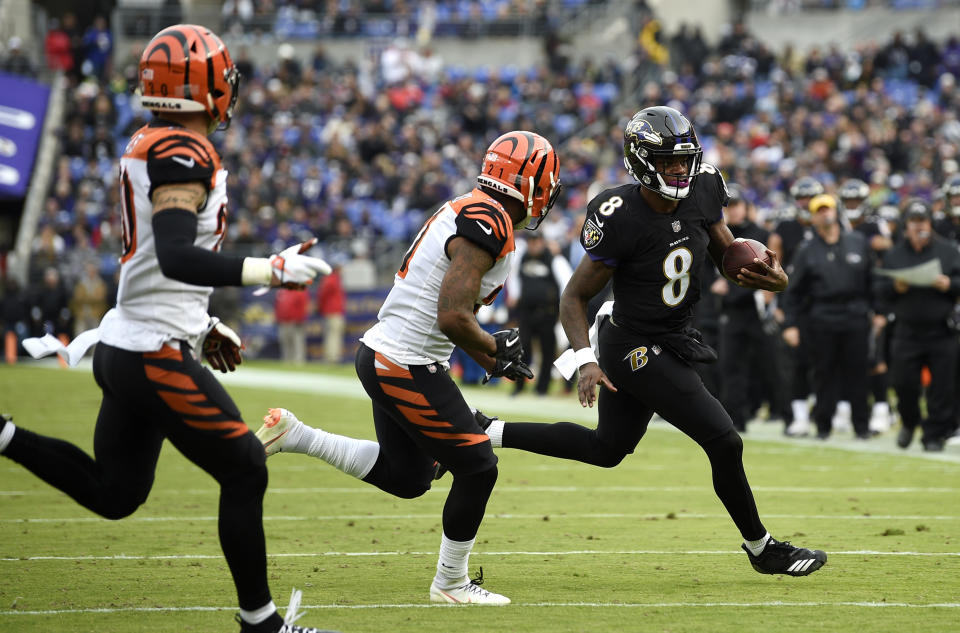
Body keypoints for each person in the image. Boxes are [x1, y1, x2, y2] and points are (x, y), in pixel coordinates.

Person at [0, 25, 336, 633]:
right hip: (149, 349)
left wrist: (202, 321)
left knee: (115, 492)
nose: (230, 88)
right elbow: (177, 253)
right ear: (202, 88)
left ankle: (2, 436)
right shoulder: (184, 149)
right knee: (245, 466)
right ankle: (261, 624)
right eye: (223, 78)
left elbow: (160, 259)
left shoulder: (153, 140)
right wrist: (272, 269)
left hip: (135, 339)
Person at [479, 107, 826, 577]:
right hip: (631, 344)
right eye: (668, 162)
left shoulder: (705, 188)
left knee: (607, 450)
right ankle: (762, 548)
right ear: (641, 161)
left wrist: (769, 280)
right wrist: (585, 361)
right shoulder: (619, 213)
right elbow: (574, 297)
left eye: (684, 160)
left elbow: (725, 251)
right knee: (724, 439)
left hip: (674, 334)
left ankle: (487, 430)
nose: (680, 170)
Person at [255, 131, 562, 604]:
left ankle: (296, 436)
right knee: (479, 466)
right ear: (532, 184)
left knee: (409, 477)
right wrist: (491, 347)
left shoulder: (472, 206)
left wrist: (488, 356)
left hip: (391, 355)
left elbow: (447, 316)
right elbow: (453, 315)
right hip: (406, 362)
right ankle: (451, 584)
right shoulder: (490, 221)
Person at [781, 194, 874, 440]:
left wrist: (879, 312)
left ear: (836, 211)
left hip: (855, 315)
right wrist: (790, 323)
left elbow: (872, 280)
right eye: (819, 211)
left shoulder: (857, 241)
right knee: (823, 373)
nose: (825, 214)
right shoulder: (807, 250)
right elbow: (793, 290)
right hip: (821, 316)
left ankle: (861, 426)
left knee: (858, 372)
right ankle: (823, 426)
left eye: (828, 209)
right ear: (813, 217)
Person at [876, 199, 960, 452]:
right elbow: (879, 290)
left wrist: (950, 285)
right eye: (914, 222)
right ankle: (910, 421)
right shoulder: (895, 254)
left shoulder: (948, 251)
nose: (919, 226)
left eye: (922, 221)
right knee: (904, 383)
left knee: (942, 387)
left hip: (941, 329)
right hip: (907, 329)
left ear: (930, 223)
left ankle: (934, 434)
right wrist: (895, 287)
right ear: (907, 226)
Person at [506, 233, 573, 396]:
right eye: (531, 241)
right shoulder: (522, 259)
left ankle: (542, 388)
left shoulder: (555, 260)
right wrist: (514, 295)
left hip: (547, 313)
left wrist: (565, 307)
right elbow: (514, 277)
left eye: (537, 241)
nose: (534, 244)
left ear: (543, 242)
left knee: (547, 350)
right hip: (526, 312)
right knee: (522, 350)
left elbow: (568, 282)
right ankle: (519, 386)